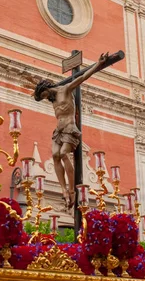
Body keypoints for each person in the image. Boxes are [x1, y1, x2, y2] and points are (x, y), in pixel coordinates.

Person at [34, 52, 109, 208]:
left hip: (69, 128)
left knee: (63, 154)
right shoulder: (52, 99)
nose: (45, 98)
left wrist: (98, 64)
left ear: (46, 88)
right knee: (55, 155)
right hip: (59, 131)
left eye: (44, 95)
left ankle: (72, 189)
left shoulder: (65, 89)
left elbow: (81, 78)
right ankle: (63, 190)